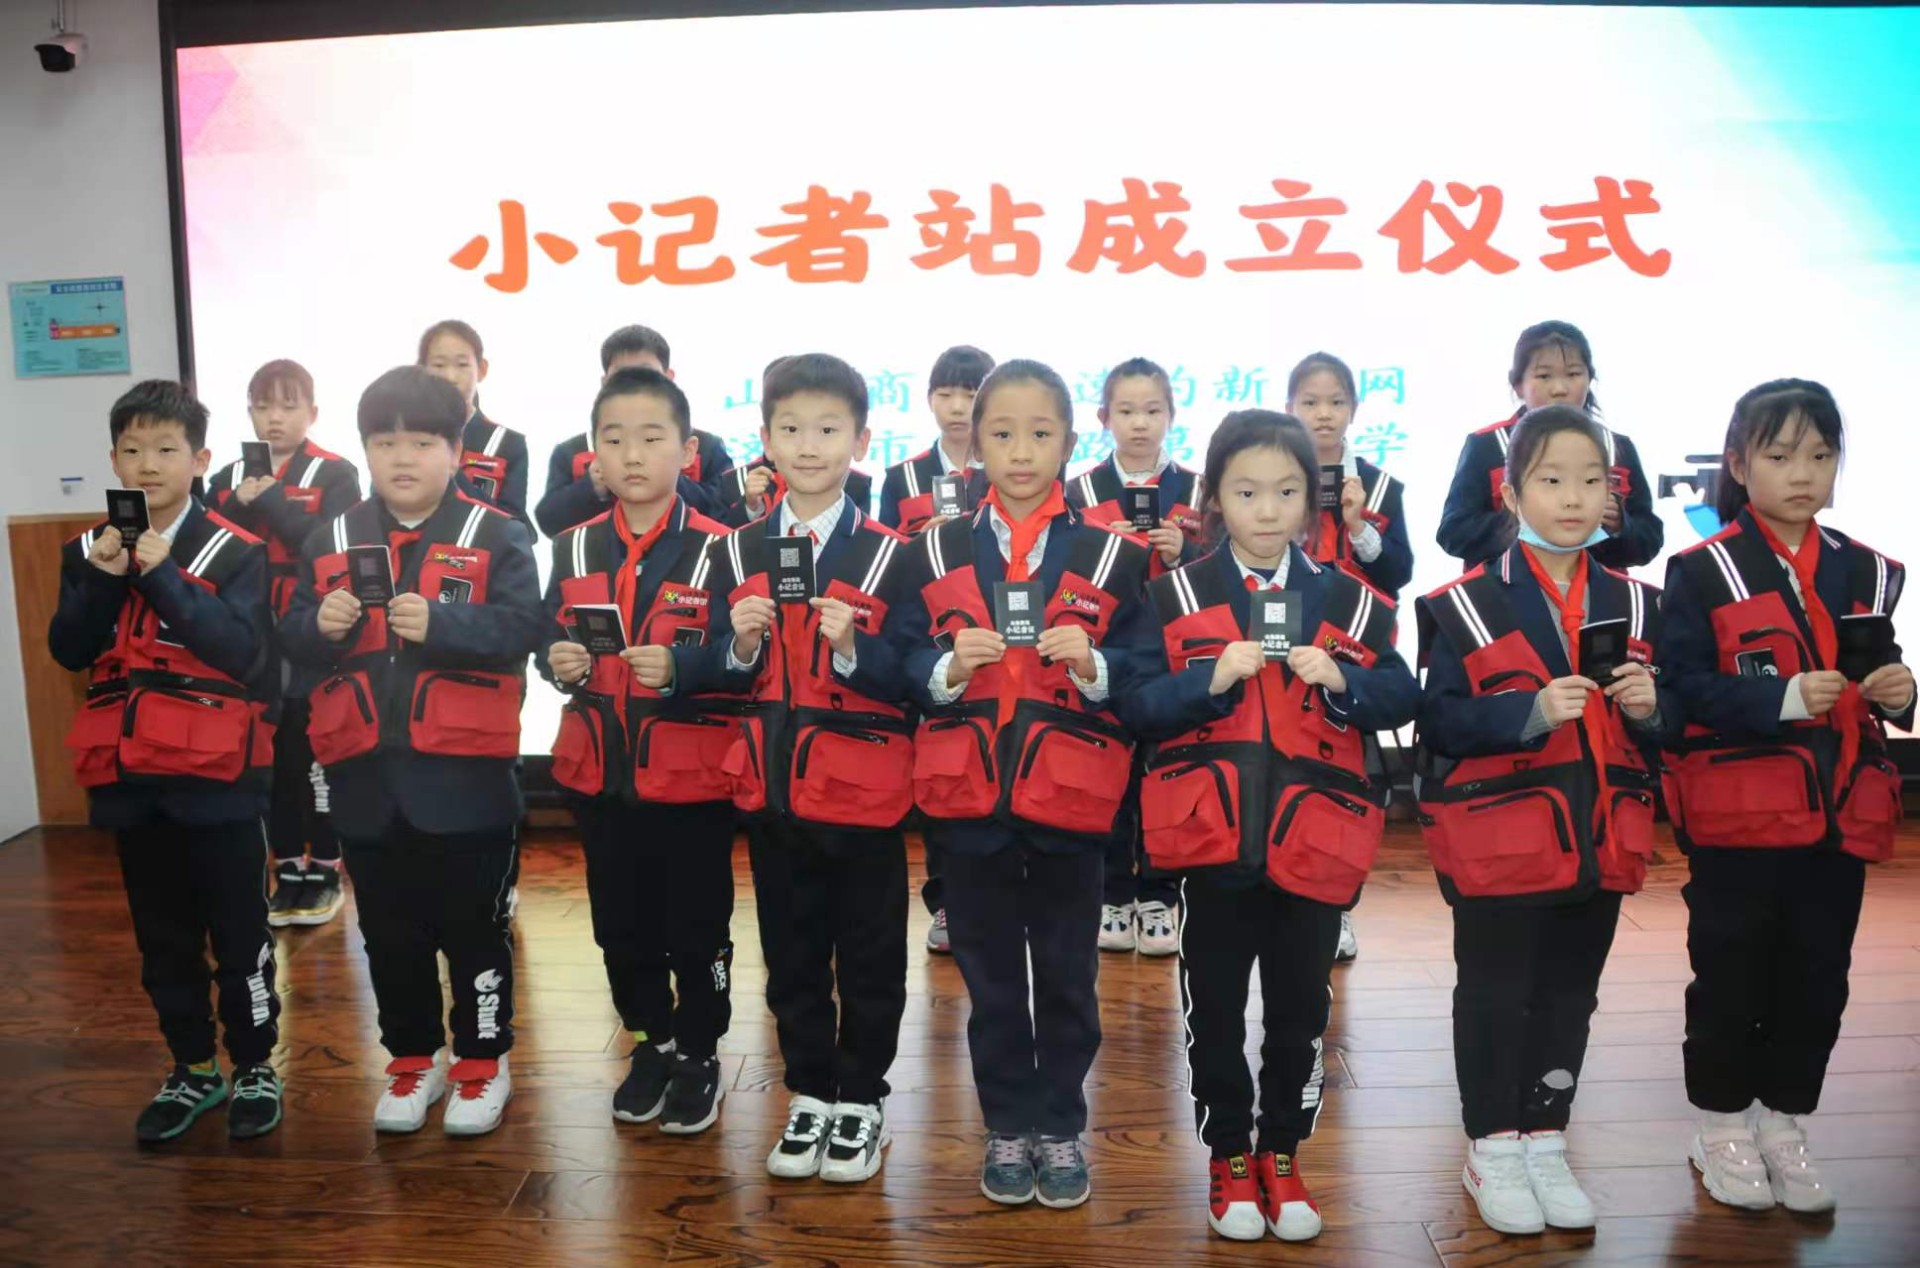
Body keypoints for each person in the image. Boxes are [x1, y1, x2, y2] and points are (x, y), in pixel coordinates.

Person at [1116, 410, 1417, 1241]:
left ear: (1310, 500)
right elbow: (1135, 705)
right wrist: (1208, 680)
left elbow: (1403, 692)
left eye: (1286, 492)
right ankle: (1227, 1152)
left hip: (1315, 841)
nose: (1268, 509)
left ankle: (1282, 1151)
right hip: (1211, 843)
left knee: (1301, 1011)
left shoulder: (1350, 598)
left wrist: (1345, 683)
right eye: (1246, 492)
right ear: (1214, 497)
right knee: (1213, 1009)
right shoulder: (1173, 594)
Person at [886, 359, 1154, 1209]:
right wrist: (943, 670)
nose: (1022, 451)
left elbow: (1147, 667)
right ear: (976, 442)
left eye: (1041, 434)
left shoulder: (1115, 555)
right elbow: (896, 657)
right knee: (992, 977)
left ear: (1070, 443)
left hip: (1073, 801)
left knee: (1069, 975)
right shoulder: (931, 547)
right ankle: (1007, 1122)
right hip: (967, 803)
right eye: (1002, 433)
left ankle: (1062, 1124)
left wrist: (1099, 665)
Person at [1416, 405, 1677, 1235]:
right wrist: (1527, 714)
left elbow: (1675, 728)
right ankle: (1493, 1144)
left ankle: (1546, 1136)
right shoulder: (1460, 604)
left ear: (1613, 494)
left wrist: (1651, 708)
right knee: (1496, 992)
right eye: (1552, 479)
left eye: (1591, 481)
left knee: (1571, 994)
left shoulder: (1641, 604)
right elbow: (1440, 722)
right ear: (1511, 491)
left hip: (1603, 839)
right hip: (1501, 844)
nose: (1573, 498)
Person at [1657, 379, 1912, 1214]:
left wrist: (1901, 692)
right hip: (1740, 818)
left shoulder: (1867, 568)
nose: (1803, 473)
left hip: (1840, 815)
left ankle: (1784, 1121)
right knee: (1731, 970)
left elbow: (1882, 671)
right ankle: (1722, 1125)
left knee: (1819, 975)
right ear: (1738, 464)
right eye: (1779, 455)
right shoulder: (1701, 571)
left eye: (1821, 455)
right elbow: (1680, 690)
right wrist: (1780, 698)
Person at [281, 366, 545, 1137]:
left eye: (423, 442)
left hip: (467, 782)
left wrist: (443, 624)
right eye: (385, 442)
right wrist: (318, 626)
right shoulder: (329, 536)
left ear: (456, 451)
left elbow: (524, 629)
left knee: (474, 931)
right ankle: (411, 1059)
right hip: (363, 779)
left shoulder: (498, 533)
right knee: (388, 935)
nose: (403, 457)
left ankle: (482, 1060)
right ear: (364, 449)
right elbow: (290, 637)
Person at [49, 379, 283, 1142]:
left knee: (240, 935)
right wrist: (104, 576)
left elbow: (243, 653)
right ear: (113, 458)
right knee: (163, 940)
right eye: (132, 449)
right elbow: (69, 649)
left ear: (200, 460)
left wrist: (161, 575)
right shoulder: (87, 549)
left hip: (219, 779)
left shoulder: (237, 549)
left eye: (165, 449)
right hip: (130, 781)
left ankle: (255, 1065)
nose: (147, 464)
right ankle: (193, 1068)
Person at [703, 353, 917, 1185]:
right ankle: (808, 1091)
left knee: (870, 957)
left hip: (864, 799)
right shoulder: (735, 551)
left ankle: (861, 1097)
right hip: (771, 792)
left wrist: (855, 649)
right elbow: (711, 671)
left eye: (829, 429)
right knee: (790, 955)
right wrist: (738, 644)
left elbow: (917, 678)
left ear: (861, 441)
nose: (808, 445)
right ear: (764, 438)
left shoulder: (894, 555)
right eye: (790, 428)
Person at [540, 367, 740, 1134]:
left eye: (651, 438)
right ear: (592, 453)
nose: (631, 454)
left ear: (686, 451)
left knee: (697, 927)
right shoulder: (572, 545)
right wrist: (556, 660)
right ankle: (651, 1042)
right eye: (614, 439)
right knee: (619, 926)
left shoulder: (725, 548)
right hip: (600, 775)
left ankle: (700, 1049)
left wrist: (686, 667)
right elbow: (548, 638)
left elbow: (748, 660)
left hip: (692, 781)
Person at [206, 358, 361, 926]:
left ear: (312, 413)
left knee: (314, 750)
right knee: (271, 756)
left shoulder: (335, 473)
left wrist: (271, 501)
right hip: (249, 637)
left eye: (288, 405)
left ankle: (326, 867)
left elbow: (332, 548)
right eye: (263, 405)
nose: (274, 417)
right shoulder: (226, 477)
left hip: (311, 632)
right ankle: (288, 866)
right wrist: (234, 505)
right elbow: (210, 550)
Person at [1063, 358, 1200, 956]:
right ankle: (1113, 892)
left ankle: (1161, 894)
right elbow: (1065, 572)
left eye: (1152, 410)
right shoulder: (1079, 491)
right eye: (1126, 411)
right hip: (1106, 653)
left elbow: (1221, 574)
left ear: (1171, 415)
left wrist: (1183, 553)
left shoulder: (1199, 489)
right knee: (1110, 773)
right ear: (1103, 417)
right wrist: (1108, 555)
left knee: (1166, 773)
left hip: (1176, 655)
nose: (1140, 423)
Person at [1436, 321, 1660, 571]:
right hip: (1507, 591)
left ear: (1589, 378)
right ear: (1518, 385)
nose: (1559, 389)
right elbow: (1453, 534)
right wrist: (1523, 519)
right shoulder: (1488, 445)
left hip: (1598, 592)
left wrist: (1620, 525)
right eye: (1544, 376)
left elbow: (1649, 540)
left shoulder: (1616, 448)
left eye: (1573, 374)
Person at [534, 323, 733, 534]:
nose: (635, 386)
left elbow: (726, 512)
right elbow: (549, 522)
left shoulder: (707, 447)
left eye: (646, 374)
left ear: (669, 377)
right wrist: (592, 487)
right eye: (621, 376)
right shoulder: (572, 451)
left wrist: (667, 473)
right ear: (604, 382)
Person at [419, 318, 534, 533]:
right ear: (421, 371)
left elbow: (517, 529)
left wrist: (451, 474)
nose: (450, 377)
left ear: (481, 369)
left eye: (462, 365)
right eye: (439, 365)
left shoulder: (507, 444)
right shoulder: (404, 437)